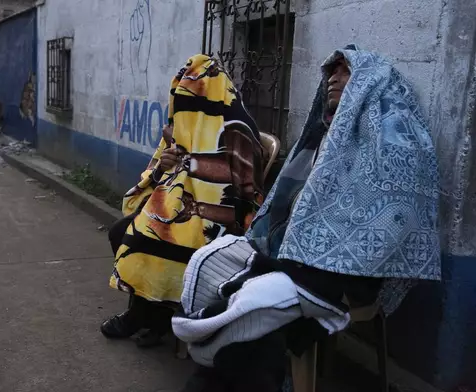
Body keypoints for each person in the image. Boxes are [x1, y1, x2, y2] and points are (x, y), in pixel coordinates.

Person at [172, 44, 441, 392]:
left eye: (345, 72)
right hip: (292, 250)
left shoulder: (396, 140)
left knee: (259, 306)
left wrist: (320, 246)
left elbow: (392, 224)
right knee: (209, 262)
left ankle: (225, 371)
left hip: (350, 271)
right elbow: (288, 203)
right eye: (332, 72)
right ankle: (228, 357)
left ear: (369, 82)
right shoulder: (321, 136)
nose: (334, 79)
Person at [101, 54, 269, 347]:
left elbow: (246, 195)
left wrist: (196, 173)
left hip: (221, 221)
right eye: (181, 101)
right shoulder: (183, 125)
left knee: (146, 241)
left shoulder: (238, 131)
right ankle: (150, 313)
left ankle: (145, 317)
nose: (186, 110)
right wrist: (164, 167)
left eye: (193, 102)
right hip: (175, 211)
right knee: (122, 231)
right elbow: (156, 177)